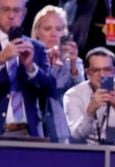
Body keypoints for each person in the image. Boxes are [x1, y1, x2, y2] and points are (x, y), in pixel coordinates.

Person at [63, 46, 115, 144]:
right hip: (85, 152)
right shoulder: (73, 95)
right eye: (96, 70)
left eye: (107, 69)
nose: (102, 75)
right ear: (87, 73)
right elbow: (76, 136)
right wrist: (90, 111)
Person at [0, 0, 55, 138]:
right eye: (5, 9)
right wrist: (1, 59)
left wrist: (31, 67)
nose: (11, 16)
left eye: (16, 10)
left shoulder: (37, 47)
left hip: (28, 133)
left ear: (24, 13)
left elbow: (51, 89)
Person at [31, 5, 83, 143]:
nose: (54, 34)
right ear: (37, 33)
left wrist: (72, 66)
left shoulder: (73, 63)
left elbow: (81, 92)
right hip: (32, 131)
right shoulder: (27, 60)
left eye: (59, 29)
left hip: (61, 134)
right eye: (47, 29)